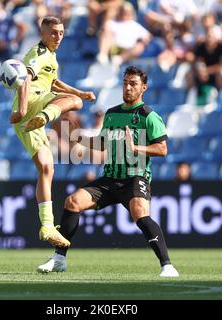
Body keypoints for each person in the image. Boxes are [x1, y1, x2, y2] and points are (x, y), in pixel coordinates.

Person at [36, 66, 180, 277]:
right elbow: (102, 144)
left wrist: (136, 148)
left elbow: (162, 149)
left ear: (143, 88)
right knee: (72, 202)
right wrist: (78, 138)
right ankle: (59, 258)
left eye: (133, 84)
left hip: (135, 177)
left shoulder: (149, 116)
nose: (128, 88)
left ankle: (167, 265)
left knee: (140, 212)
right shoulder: (112, 114)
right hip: (110, 178)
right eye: (125, 83)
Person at [9, 16, 96, 247]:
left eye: (61, 32)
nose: (58, 36)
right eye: (54, 32)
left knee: (47, 168)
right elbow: (25, 78)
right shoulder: (37, 52)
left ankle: (47, 226)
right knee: (74, 104)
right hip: (31, 104)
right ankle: (45, 117)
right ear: (43, 34)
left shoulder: (51, 57)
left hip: (26, 118)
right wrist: (24, 108)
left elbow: (54, 82)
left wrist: (82, 92)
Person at [96, 2, 152, 66]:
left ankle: (119, 59)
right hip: (113, 47)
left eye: (128, 12)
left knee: (140, 46)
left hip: (128, 50)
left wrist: (143, 40)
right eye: (123, 11)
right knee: (106, 35)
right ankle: (103, 56)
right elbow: (105, 31)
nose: (125, 13)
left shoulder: (135, 25)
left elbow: (147, 36)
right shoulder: (111, 23)